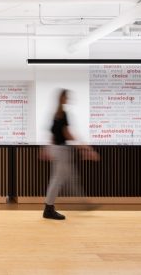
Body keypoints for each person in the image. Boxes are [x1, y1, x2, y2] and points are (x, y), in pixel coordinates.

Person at [42, 89, 99, 220]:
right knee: (58, 180)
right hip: (61, 151)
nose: (68, 99)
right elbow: (68, 134)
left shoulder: (56, 114)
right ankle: (49, 209)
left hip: (58, 150)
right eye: (67, 97)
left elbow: (52, 134)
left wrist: (47, 149)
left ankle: (84, 203)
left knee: (68, 178)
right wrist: (86, 148)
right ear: (63, 98)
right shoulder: (62, 114)